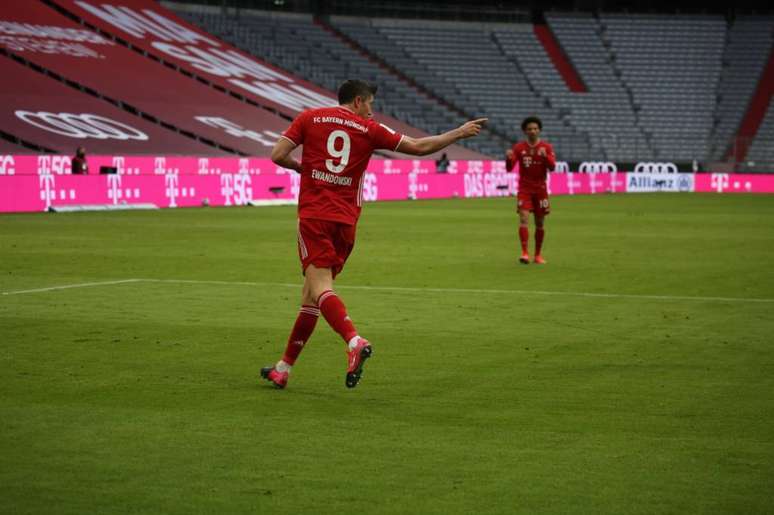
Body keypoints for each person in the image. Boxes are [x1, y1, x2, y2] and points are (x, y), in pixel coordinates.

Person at [262, 79, 487, 389]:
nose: (371, 110)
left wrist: (299, 168)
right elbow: (420, 147)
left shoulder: (309, 118)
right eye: (369, 104)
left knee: (321, 287)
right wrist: (459, 132)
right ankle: (283, 367)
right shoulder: (369, 130)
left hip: (314, 216)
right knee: (311, 294)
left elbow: (277, 155)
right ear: (357, 102)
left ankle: (354, 341)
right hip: (346, 221)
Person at [505, 116, 556, 265]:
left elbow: (552, 167)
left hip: (541, 190)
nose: (532, 131)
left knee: (540, 223)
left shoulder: (546, 147)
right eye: (529, 129)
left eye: (535, 129)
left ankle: (538, 255)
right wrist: (508, 158)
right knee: (523, 219)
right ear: (524, 131)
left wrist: (546, 157)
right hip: (524, 189)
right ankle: (525, 253)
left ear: (539, 130)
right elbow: (509, 168)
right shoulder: (519, 148)